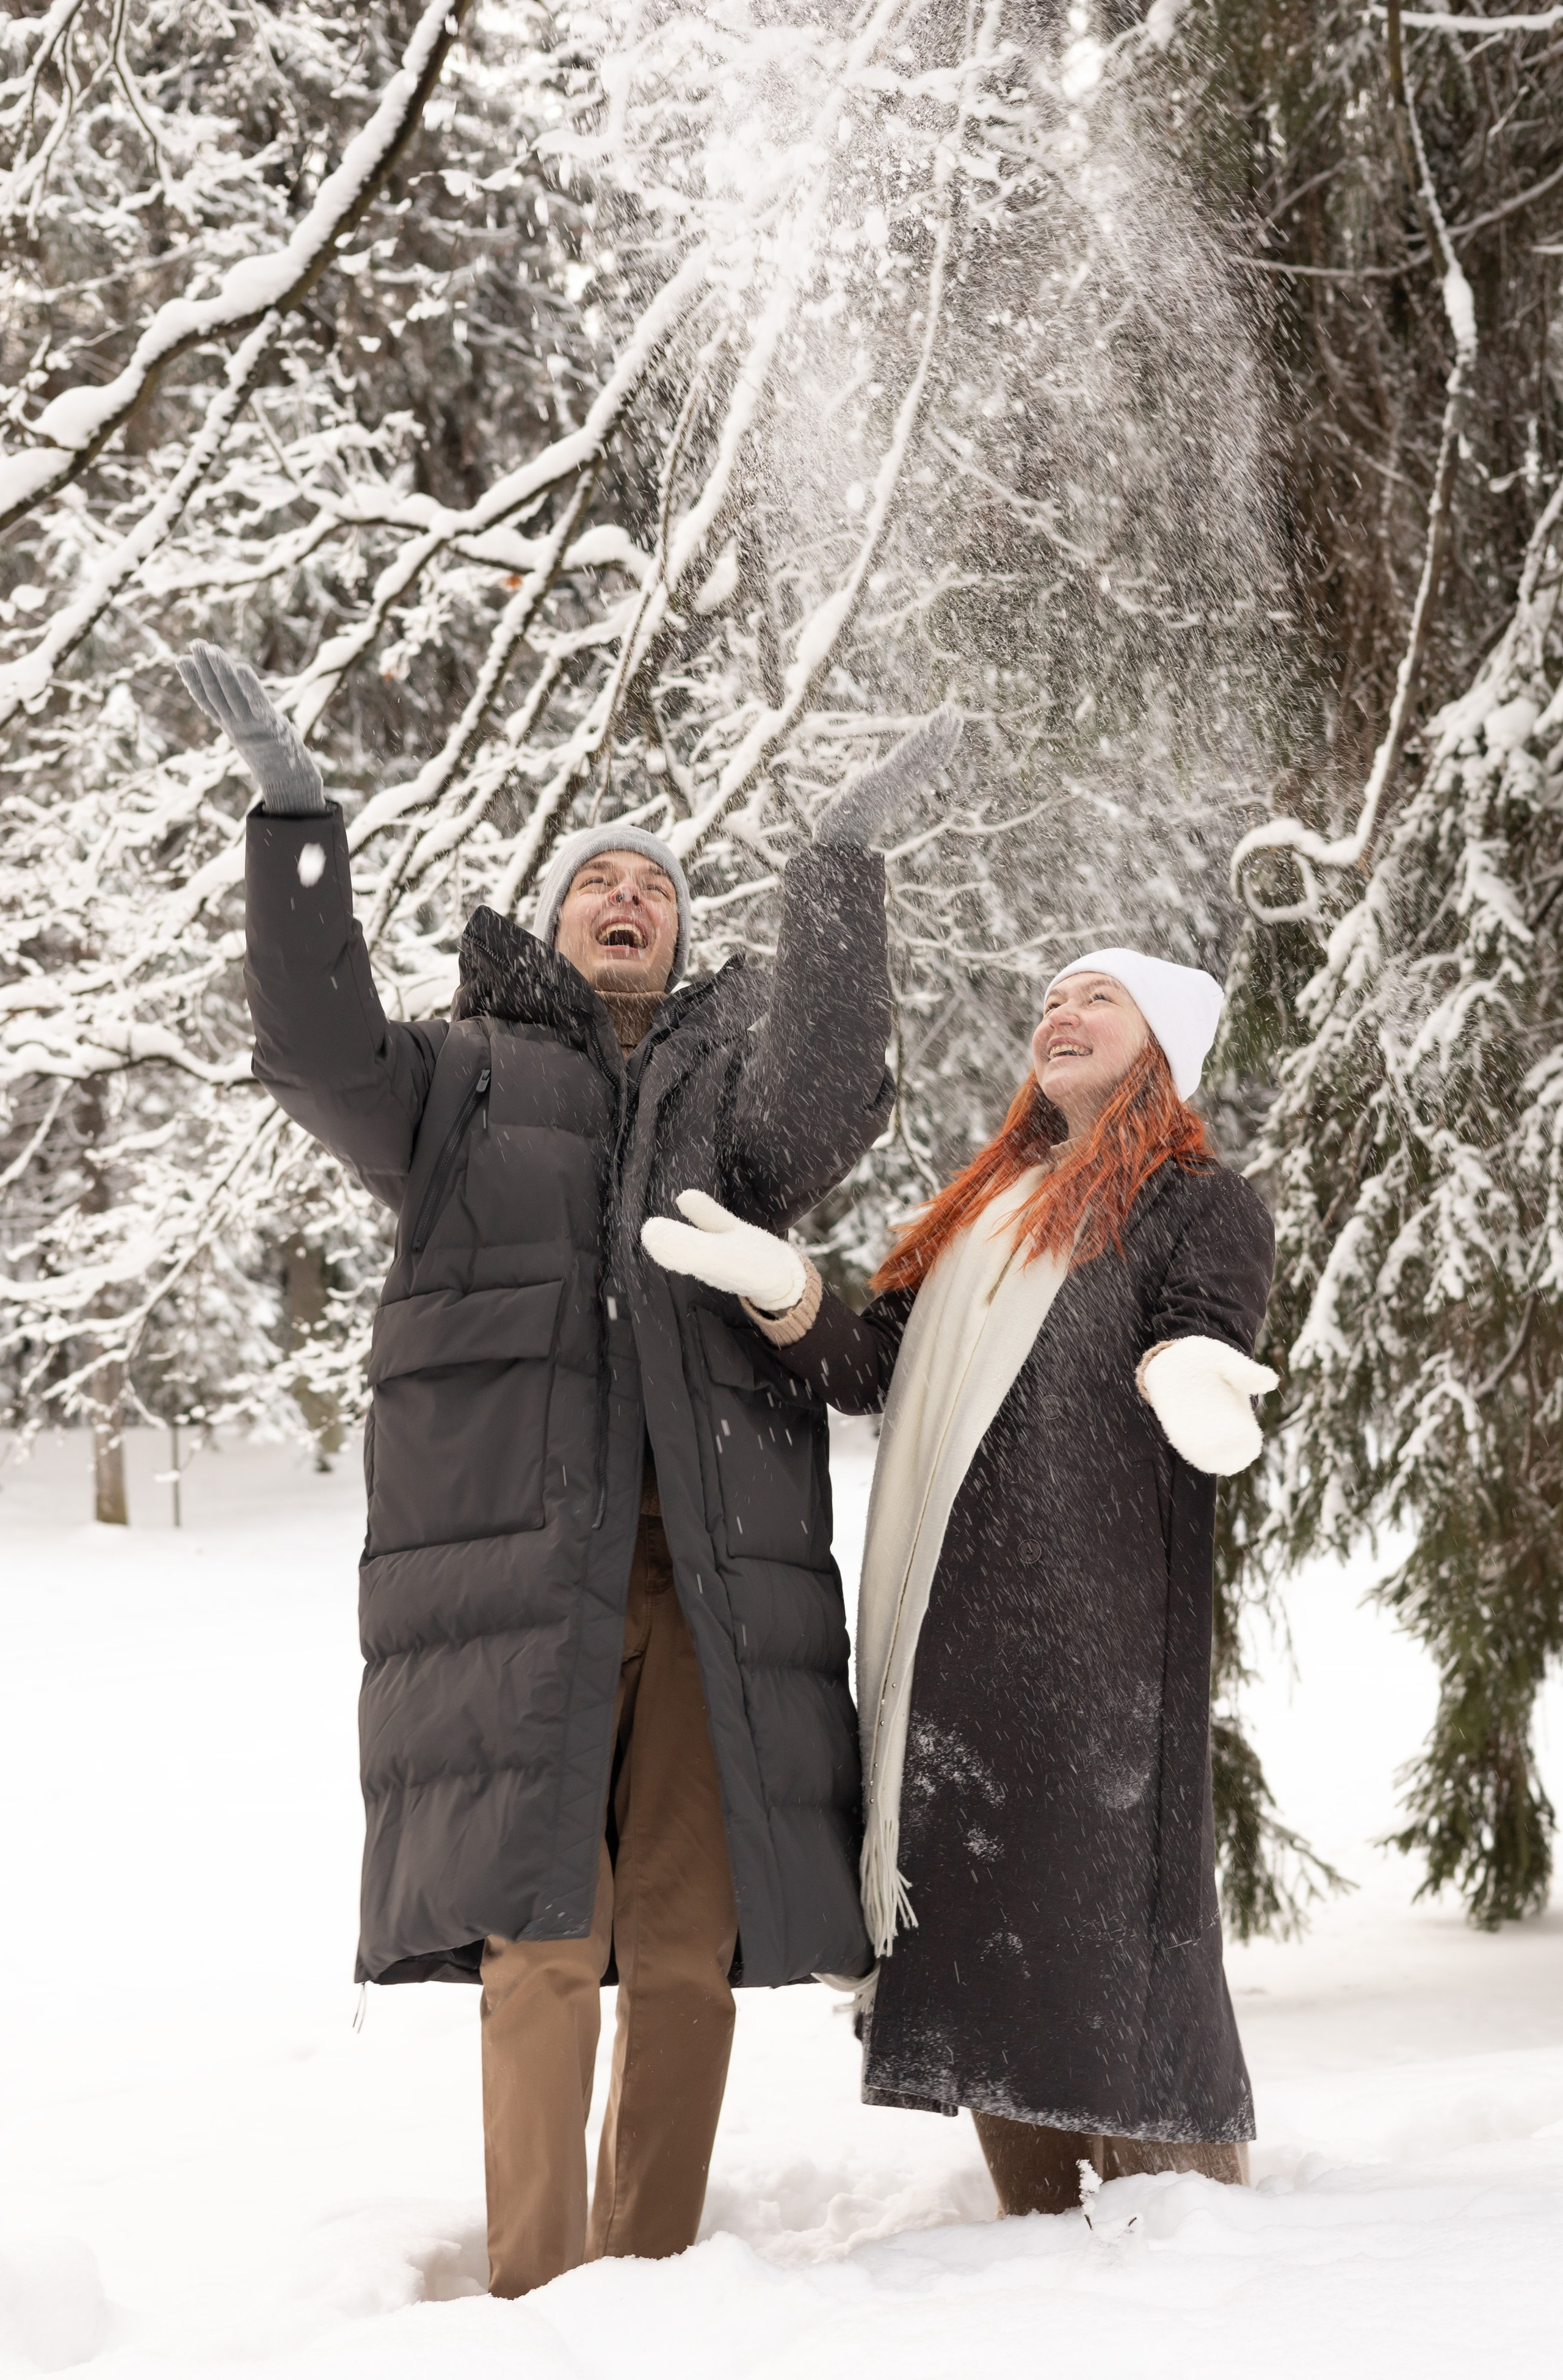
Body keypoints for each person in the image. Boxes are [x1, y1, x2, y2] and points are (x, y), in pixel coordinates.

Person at [175, 643, 963, 2293]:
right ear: (555, 925)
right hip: (525, 1577)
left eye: (653, 887)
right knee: (543, 1936)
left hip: (707, 1582)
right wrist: (296, 820)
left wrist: (837, 867)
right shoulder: (457, 1081)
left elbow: (835, 1092)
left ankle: (656, 2281)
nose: (626, 897)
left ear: (678, 934)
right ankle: (537, 2291)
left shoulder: (731, 1103)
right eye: (597, 880)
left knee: (683, 1935)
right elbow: (318, 1054)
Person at [642, 948, 1277, 2216]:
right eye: (1051, 998)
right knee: (984, 1930)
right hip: (952, 1630)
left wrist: (1194, 1367)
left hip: (1097, 1633)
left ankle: (1191, 2227)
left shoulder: (1191, 1198)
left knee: (1109, 1932)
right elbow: (868, 1367)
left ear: (1160, 1041)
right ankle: (1028, 2238)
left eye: (1095, 997)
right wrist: (785, 1288)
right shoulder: (981, 1209)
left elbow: (1204, 1313)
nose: (1061, 1011)